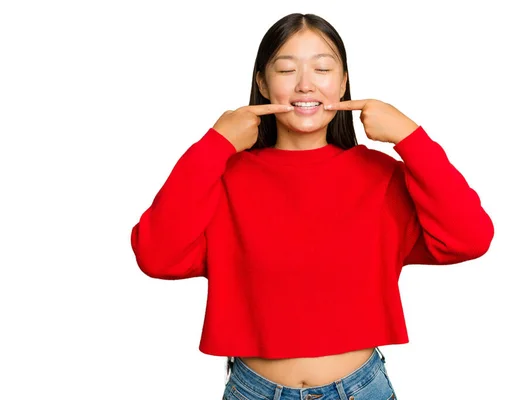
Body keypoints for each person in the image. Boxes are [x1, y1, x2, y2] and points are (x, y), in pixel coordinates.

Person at [130, 12, 494, 400]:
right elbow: (157, 256)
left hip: (361, 388)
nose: (305, 84)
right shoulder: (224, 177)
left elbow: (469, 238)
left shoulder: (381, 176)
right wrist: (214, 144)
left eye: (322, 68)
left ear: (342, 82)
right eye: (286, 70)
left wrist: (411, 137)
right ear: (262, 83)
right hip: (253, 390)